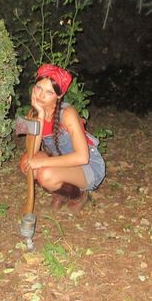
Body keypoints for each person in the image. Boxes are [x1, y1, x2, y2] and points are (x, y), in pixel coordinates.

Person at [19, 63, 105, 212]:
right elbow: (31, 151)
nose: (40, 95)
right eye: (39, 88)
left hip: (88, 166)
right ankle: (59, 192)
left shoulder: (68, 113)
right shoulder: (31, 113)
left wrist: (42, 163)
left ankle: (78, 195)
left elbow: (82, 158)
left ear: (59, 96)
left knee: (45, 174)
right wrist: (39, 115)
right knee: (26, 163)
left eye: (48, 92)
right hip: (61, 162)